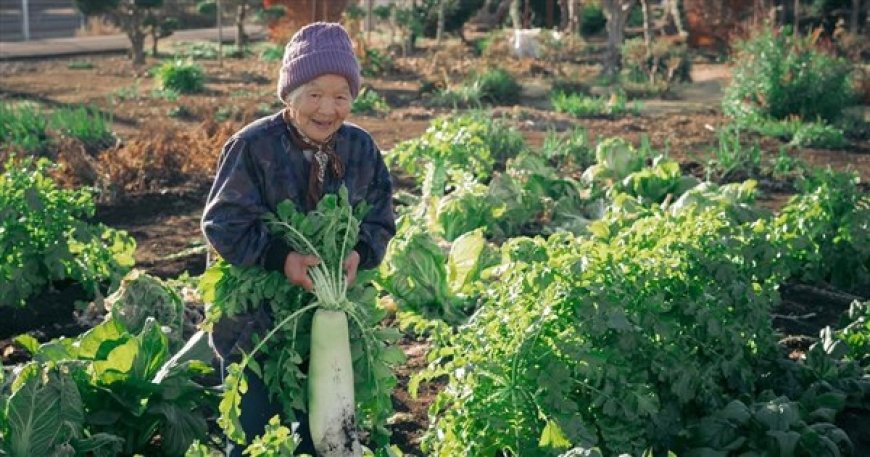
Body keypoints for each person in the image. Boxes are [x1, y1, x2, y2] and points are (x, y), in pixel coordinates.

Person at [200, 22, 396, 455]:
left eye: (341, 95)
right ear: (290, 95)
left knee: (320, 436)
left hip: (323, 325)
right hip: (257, 329)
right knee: (253, 436)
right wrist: (280, 258)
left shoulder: (360, 148)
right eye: (314, 94)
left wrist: (360, 254)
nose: (328, 108)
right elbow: (223, 225)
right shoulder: (253, 146)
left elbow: (380, 218)